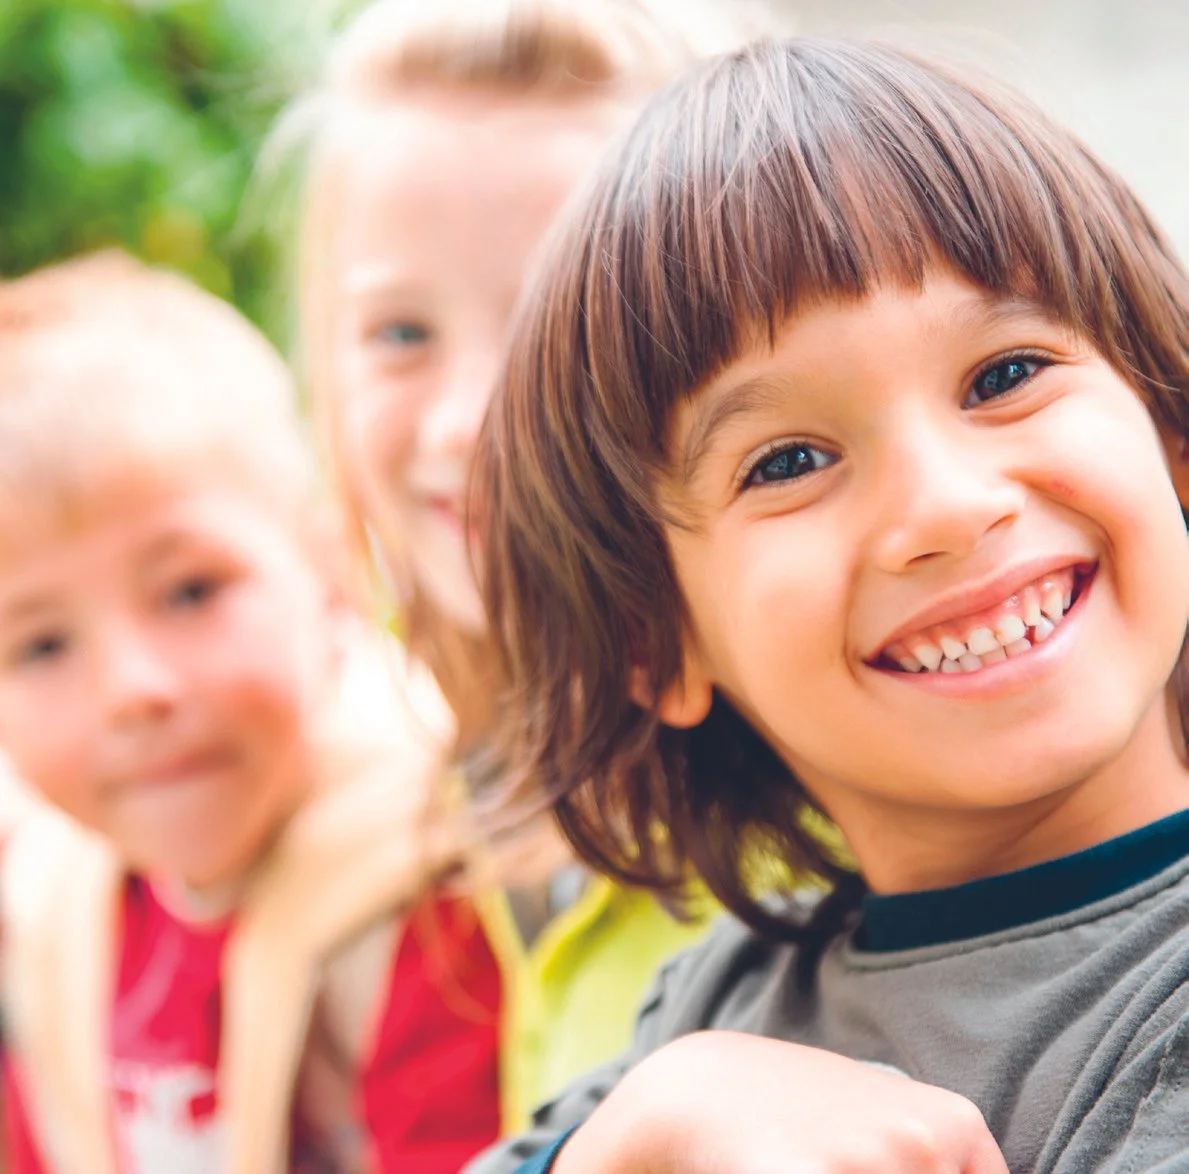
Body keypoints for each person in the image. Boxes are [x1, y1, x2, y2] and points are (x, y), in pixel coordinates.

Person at [466, 36, 1189, 1174]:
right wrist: (636, 1133)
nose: (946, 508)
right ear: (655, 637)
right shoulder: (716, 1005)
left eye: (1005, 374)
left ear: (1167, 424)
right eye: (789, 461)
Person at [287, 0, 775, 1125]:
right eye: (399, 334)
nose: (466, 418)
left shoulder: (847, 827)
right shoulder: (456, 804)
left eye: (557, 325)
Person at [0, 252, 502, 1174]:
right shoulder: (50, 911)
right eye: (40, 647)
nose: (131, 689)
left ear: (331, 573)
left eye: (191, 591)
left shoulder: (428, 892)